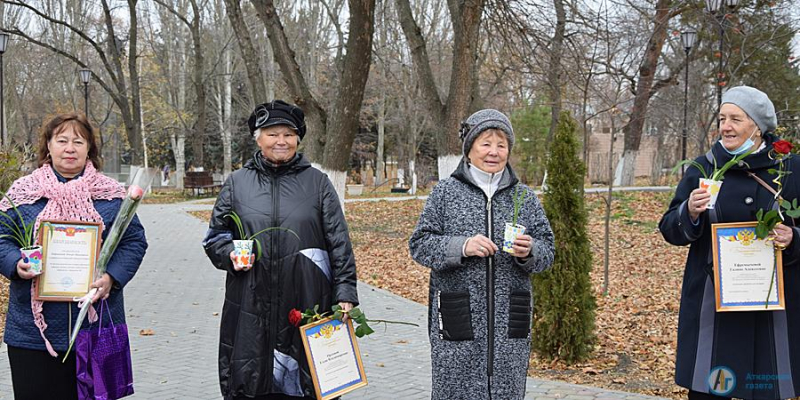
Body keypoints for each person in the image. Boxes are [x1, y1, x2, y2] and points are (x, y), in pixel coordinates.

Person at [203, 100, 359, 400]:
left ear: (298, 139)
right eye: (273, 133)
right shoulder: (237, 184)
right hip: (250, 300)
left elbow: (339, 241)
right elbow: (215, 238)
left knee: (308, 382)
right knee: (250, 380)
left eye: (288, 134)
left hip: (307, 299)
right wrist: (230, 254)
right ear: (258, 138)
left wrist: (345, 292)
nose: (281, 141)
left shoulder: (318, 183)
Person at [659, 86, 800, 399]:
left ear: (758, 127)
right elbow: (669, 228)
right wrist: (689, 212)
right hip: (714, 310)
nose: (725, 126)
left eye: (736, 118)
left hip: (770, 310)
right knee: (712, 390)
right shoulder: (704, 168)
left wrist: (793, 238)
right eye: (722, 118)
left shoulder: (790, 170)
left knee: (766, 389)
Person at [408, 109, 555, 399]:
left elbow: (547, 250)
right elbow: (420, 245)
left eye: (502, 145)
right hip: (457, 316)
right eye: (486, 143)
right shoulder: (446, 193)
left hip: (510, 320)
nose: (494, 152)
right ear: (470, 149)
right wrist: (462, 246)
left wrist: (530, 252)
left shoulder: (524, 197)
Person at [0, 113, 148, 400]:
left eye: (78, 141)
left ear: (89, 148)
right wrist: (15, 265)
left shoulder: (112, 196)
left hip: (96, 327)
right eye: (62, 140)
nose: (70, 148)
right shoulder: (22, 193)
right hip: (32, 333)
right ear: (48, 146)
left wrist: (111, 278)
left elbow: (134, 242)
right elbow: (1, 238)